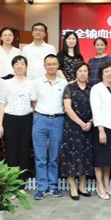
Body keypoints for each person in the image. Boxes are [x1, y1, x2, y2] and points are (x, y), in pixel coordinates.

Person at [31, 54, 68, 200]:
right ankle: (42, 188)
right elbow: (34, 101)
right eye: (49, 64)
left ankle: (53, 186)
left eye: (54, 64)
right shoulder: (36, 82)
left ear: (58, 65)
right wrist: (43, 113)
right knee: (40, 157)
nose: (51, 66)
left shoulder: (63, 83)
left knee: (54, 157)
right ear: (44, 66)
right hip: (40, 119)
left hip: (58, 120)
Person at [0, 55, 33, 191]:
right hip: (10, 119)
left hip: (26, 119)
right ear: (13, 67)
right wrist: (0, 125)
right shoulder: (6, 83)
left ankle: (21, 185)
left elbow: (34, 104)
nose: (19, 66)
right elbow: (2, 104)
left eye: (22, 63)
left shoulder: (31, 83)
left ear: (26, 66)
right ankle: (11, 186)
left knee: (24, 152)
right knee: (11, 152)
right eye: (16, 64)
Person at [61, 61, 93, 200]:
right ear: (75, 73)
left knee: (86, 155)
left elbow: (97, 108)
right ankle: (72, 186)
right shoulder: (69, 88)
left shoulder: (92, 89)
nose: (82, 73)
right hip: (73, 126)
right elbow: (68, 109)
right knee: (72, 156)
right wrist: (81, 123)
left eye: (85, 71)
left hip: (89, 126)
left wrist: (90, 122)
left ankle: (82, 186)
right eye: (80, 71)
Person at [90, 62, 111, 199]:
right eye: (106, 71)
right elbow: (95, 110)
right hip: (102, 127)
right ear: (101, 74)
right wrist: (101, 130)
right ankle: (100, 186)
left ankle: (107, 185)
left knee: (109, 158)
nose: (109, 74)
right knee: (100, 158)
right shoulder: (97, 88)